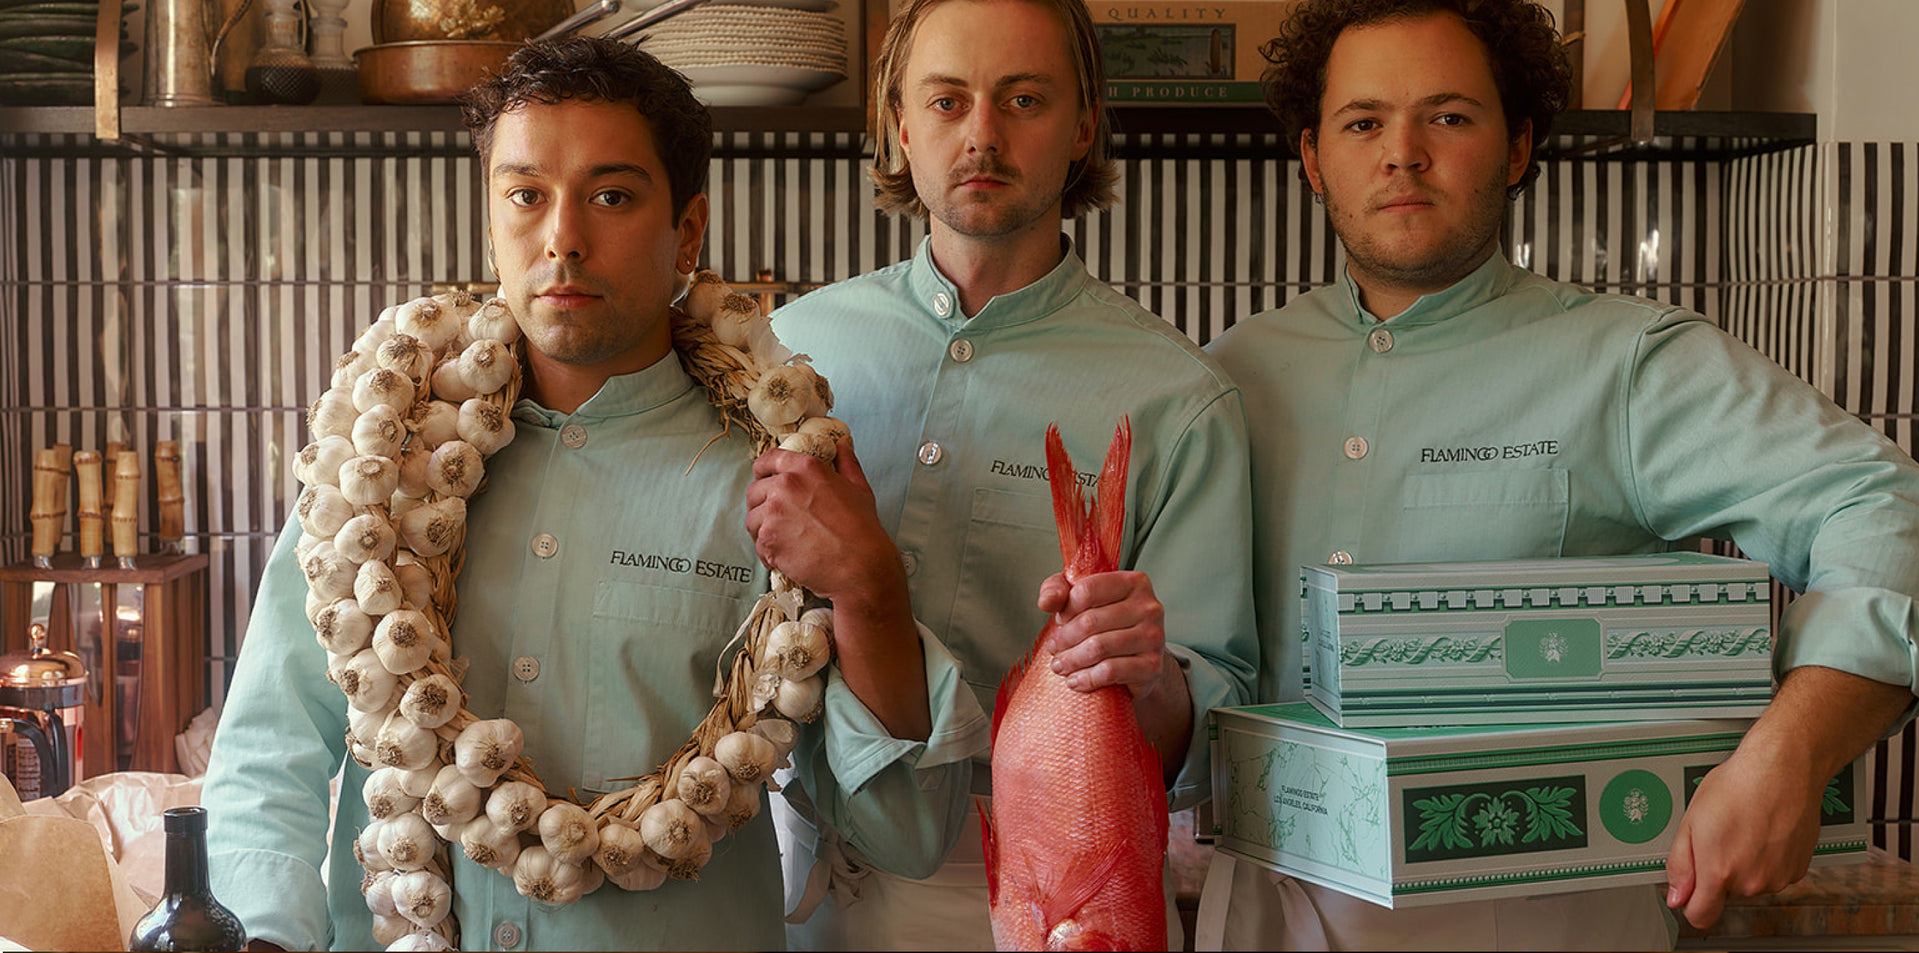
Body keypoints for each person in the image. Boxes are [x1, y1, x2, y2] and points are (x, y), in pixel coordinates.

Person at [1203, 0, 1919, 948]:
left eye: (1449, 116)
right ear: (1313, 159)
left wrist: (1789, 752)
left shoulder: (1631, 366)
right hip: (1258, 911)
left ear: (1520, 144)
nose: (1402, 151)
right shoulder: (1229, 375)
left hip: (1543, 919)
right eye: (1363, 121)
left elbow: (1906, 521)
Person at [199, 36, 983, 951]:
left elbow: (906, 834)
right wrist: (262, 936)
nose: (562, 238)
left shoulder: (777, 479)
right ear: (492, 219)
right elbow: (268, 757)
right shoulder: (381, 472)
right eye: (526, 196)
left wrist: (871, 589)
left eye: (611, 197)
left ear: (686, 231)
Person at [758, 0, 1261, 947]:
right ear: (899, 128)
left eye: (1023, 100)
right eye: (947, 101)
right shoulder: (794, 351)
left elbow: (1212, 748)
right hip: (790, 863)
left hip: (1060, 872)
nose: (982, 134)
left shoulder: (1179, 395)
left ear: (1081, 127)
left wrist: (1150, 674)